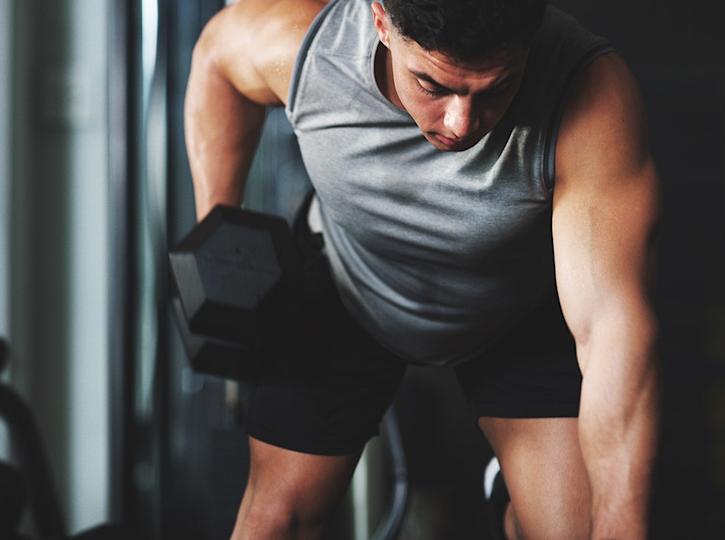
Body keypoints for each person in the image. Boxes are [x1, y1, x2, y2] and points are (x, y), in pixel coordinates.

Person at [185, 0, 659, 538]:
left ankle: (513, 495)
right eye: (433, 86)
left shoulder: (587, 92)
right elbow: (216, 62)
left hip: (511, 310)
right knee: (275, 521)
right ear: (382, 20)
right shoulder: (306, 46)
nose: (461, 124)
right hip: (347, 283)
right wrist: (218, 232)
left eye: (496, 88)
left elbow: (611, 328)